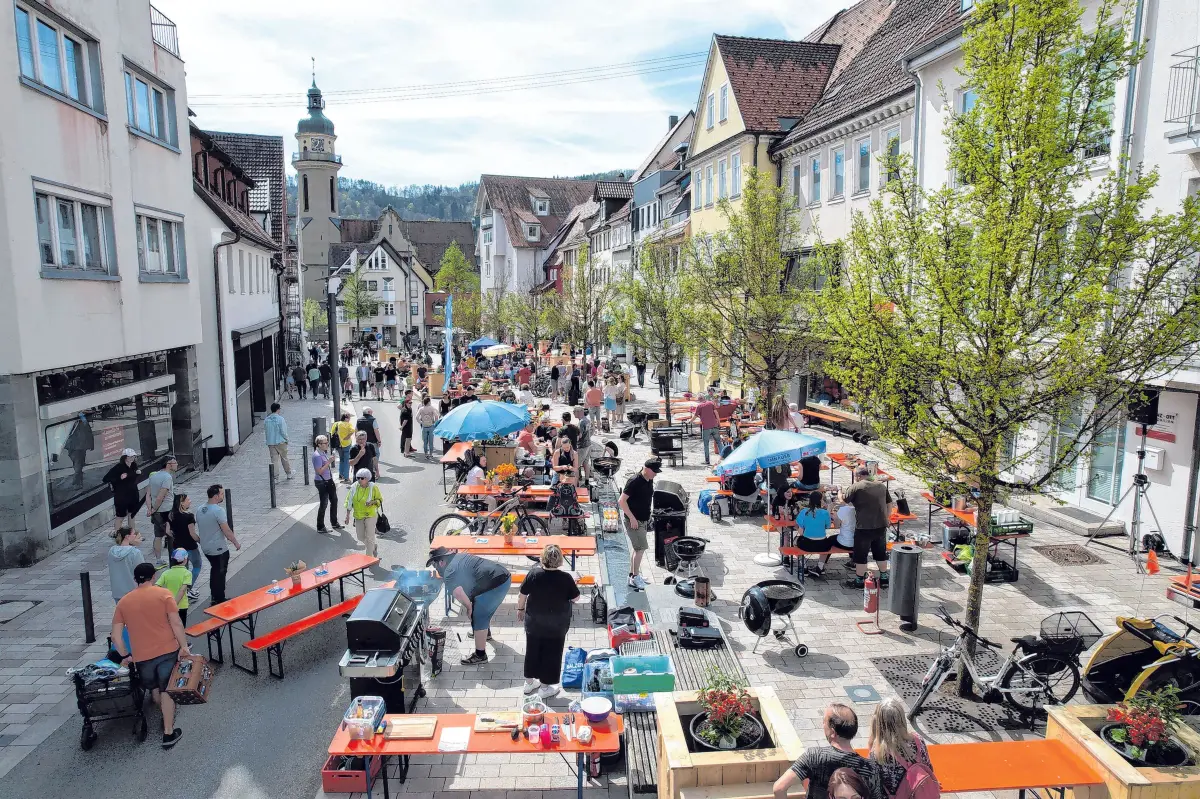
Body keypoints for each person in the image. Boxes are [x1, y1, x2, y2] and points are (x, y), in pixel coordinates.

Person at [111, 562, 191, 749]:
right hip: (166, 650)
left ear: (135, 580)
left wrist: (125, 655)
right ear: (153, 577)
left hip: (142, 656)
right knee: (166, 689)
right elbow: (176, 623)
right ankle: (168, 731)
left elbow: (115, 636)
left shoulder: (124, 602)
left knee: (155, 688)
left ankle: (164, 712)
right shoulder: (164, 595)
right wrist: (184, 646)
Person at [773, 704, 883, 799]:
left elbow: (779, 788)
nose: (822, 725)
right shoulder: (869, 768)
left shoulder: (814, 756)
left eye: (824, 722)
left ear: (833, 732)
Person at [428, 546, 512, 666]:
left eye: (434, 565)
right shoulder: (459, 557)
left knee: (478, 615)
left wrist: (469, 607)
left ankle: (480, 655)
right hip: (502, 576)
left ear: (441, 561)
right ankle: (484, 634)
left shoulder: (449, 572)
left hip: (495, 583)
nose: (435, 569)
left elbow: (459, 593)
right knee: (482, 609)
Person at [518, 544, 580, 698]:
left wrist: (520, 609)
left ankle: (529, 683)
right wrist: (575, 583)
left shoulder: (534, 574)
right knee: (551, 654)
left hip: (534, 622)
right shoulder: (566, 578)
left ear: (542, 558)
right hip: (556, 625)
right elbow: (576, 598)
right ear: (559, 560)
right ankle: (545, 688)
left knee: (532, 651)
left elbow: (522, 594)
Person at [868, 697, 935, 798]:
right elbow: (929, 767)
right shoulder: (918, 741)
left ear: (878, 723)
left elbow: (873, 786)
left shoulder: (877, 754)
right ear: (902, 719)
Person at [842, 466, 894, 589]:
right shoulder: (881, 486)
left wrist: (839, 492)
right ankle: (884, 578)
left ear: (858, 476)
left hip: (863, 527)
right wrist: (887, 517)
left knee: (861, 555)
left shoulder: (856, 486)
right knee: (881, 553)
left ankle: (859, 581)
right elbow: (889, 503)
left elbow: (844, 500)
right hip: (881, 525)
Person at [618, 458, 661, 591]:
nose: (656, 474)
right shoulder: (634, 481)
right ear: (647, 469)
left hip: (643, 519)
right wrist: (632, 518)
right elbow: (621, 501)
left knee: (637, 549)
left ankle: (632, 575)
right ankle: (635, 577)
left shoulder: (649, 479)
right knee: (641, 549)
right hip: (634, 521)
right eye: (654, 471)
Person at [196, 484, 240, 605]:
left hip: (206, 547)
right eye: (221, 494)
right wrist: (235, 542)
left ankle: (214, 595)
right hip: (218, 547)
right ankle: (219, 598)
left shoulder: (200, 509)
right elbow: (226, 530)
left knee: (214, 570)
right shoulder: (218, 511)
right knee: (220, 573)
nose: (222, 496)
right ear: (215, 496)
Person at [793, 491, 842, 577]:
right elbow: (827, 526)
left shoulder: (804, 511)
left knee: (795, 541)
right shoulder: (825, 513)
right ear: (820, 501)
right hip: (822, 544)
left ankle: (804, 566)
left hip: (806, 543)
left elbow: (798, 525)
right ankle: (820, 566)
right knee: (827, 543)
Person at [145, 455, 177, 566]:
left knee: (158, 536)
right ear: (168, 464)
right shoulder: (167, 477)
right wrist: (153, 509)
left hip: (156, 512)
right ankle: (175, 559)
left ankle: (158, 560)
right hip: (166, 511)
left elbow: (148, 495)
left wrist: (150, 509)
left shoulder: (154, 476)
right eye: (174, 462)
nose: (176, 464)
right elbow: (161, 496)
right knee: (171, 534)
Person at [103, 448, 144, 535]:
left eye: (133, 456)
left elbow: (133, 476)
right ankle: (117, 534)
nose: (132, 459)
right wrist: (119, 478)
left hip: (133, 493)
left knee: (132, 515)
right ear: (125, 457)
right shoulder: (118, 467)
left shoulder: (134, 466)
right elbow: (106, 479)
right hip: (121, 495)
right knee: (120, 516)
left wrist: (137, 473)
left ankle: (132, 534)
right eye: (130, 457)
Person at [344, 468, 383, 557]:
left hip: (370, 515)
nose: (359, 480)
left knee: (370, 537)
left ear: (368, 478)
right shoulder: (354, 487)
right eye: (358, 478)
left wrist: (372, 502)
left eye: (362, 478)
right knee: (360, 536)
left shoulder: (373, 487)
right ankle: (373, 546)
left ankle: (369, 557)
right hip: (358, 515)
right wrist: (347, 516)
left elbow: (380, 500)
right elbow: (349, 501)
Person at [168, 494, 201, 601]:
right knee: (197, 565)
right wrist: (200, 540)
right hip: (190, 546)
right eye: (188, 500)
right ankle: (188, 588)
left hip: (177, 546)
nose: (190, 501)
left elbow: (168, 531)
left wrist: (177, 536)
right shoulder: (189, 517)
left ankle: (182, 591)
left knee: (183, 569)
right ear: (181, 503)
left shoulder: (171, 515)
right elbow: (192, 534)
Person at [312, 435, 345, 533]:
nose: (327, 445)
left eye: (327, 442)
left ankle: (334, 523)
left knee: (334, 501)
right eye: (325, 443)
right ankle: (320, 526)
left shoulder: (322, 453)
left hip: (328, 480)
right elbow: (319, 471)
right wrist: (329, 462)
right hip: (322, 482)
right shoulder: (317, 456)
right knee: (324, 503)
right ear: (319, 444)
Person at [108, 526, 145, 603]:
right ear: (127, 537)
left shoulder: (111, 551)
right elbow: (142, 571)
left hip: (117, 591)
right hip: (132, 592)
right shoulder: (135, 552)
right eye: (134, 534)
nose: (135, 536)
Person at [156, 549, 192, 625]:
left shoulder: (166, 573)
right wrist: (174, 604)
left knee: (170, 626)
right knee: (180, 627)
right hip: (182, 605)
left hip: (168, 605)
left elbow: (156, 586)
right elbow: (182, 590)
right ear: (185, 560)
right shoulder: (187, 573)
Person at [689, 396, 722, 466]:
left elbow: (695, 416)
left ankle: (707, 461)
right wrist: (719, 423)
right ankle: (724, 458)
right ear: (704, 398)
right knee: (719, 442)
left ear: (699, 400)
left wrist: (689, 422)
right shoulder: (711, 403)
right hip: (714, 426)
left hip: (706, 428)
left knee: (706, 445)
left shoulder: (699, 406)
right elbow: (716, 413)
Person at [64, 412, 94, 488]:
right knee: (78, 465)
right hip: (75, 448)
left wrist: (91, 445)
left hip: (80, 447)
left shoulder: (82, 421)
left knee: (79, 464)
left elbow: (88, 432)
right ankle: (77, 482)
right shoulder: (75, 422)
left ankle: (78, 481)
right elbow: (88, 432)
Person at [265, 403, 293, 481]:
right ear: (278, 409)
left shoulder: (267, 419)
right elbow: (283, 431)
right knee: (284, 458)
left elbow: (266, 431)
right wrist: (287, 439)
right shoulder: (280, 419)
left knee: (274, 461)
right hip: (280, 442)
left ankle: (275, 478)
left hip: (271, 442)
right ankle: (288, 474)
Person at [332, 412, 356, 483]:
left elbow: (332, 432)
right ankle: (346, 477)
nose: (349, 419)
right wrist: (348, 436)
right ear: (346, 418)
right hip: (346, 444)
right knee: (346, 461)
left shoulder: (336, 424)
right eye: (349, 418)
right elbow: (353, 430)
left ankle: (341, 475)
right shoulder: (348, 424)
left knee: (341, 460)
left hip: (338, 445)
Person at [573, 406, 592, 484]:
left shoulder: (581, 422)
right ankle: (587, 481)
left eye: (574, 412)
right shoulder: (587, 420)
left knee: (576, 466)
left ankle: (576, 483)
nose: (573, 413)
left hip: (582, 446)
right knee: (585, 463)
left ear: (578, 412)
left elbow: (579, 436)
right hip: (588, 444)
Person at [399, 391, 415, 456]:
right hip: (406, 427)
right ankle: (406, 452)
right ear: (405, 403)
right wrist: (402, 427)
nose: (410, 404)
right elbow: (405, 420)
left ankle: (406, 452)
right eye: (409, 403)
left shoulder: (409, 409)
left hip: (409, 426)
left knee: (408, 439)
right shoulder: (405, 410)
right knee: (408, 439)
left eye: (411, 403)